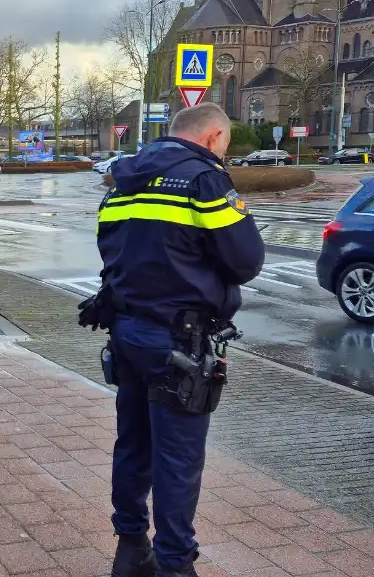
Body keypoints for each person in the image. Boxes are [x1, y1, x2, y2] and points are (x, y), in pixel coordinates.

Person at [88, 103, 265, 577]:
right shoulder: (204, 181)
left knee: (133, 444)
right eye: (224, 142)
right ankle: (174, 566)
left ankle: (130, 549)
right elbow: (246, 260)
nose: (224, 151)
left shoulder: (125, 179)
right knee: (178, 459)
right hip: (179, 341)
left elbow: (113, 250)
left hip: (127, 332)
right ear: (212, 138)